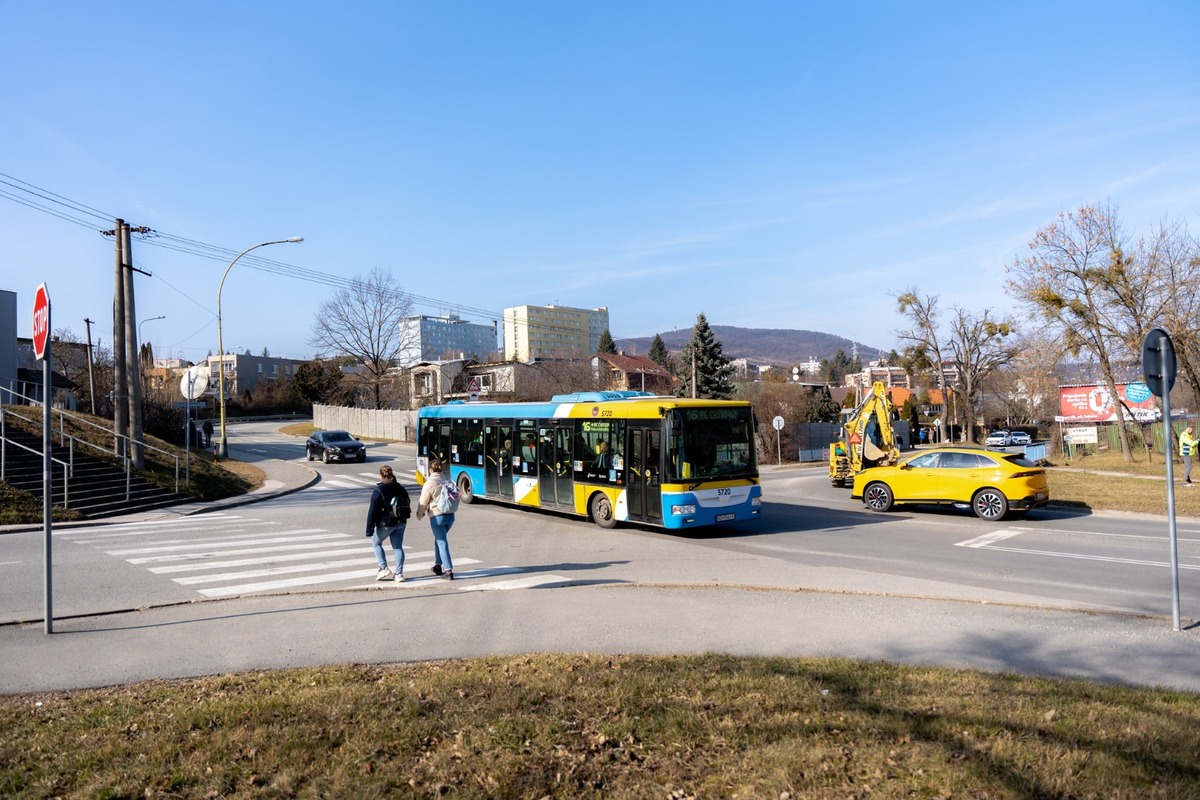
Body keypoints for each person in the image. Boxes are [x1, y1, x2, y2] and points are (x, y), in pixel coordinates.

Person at [365, 465, 410, 582]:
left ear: (381, 475)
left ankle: (383, 568)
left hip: (386, 523)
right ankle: (399, 574)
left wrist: (369, 529)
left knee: (376, 543)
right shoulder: (400, 487)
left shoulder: (379, 490)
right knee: (398, 547)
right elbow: (407, 501)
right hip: (401, 521)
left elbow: (373, 511)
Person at [416, 459, 457, 579]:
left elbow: (423, 502)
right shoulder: (448, 480)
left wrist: (420, 515)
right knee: (439, 539)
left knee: (441, 542)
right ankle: (437, 566)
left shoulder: (429, 483)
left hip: (437, 516)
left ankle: (448, 571)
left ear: (430, 470)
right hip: (450, 516)